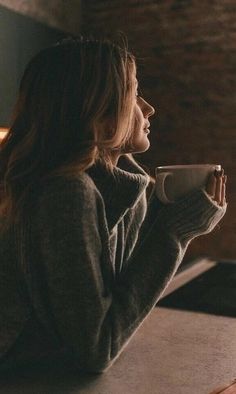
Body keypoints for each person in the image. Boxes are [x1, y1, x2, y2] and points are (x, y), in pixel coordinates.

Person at [0, 36, 227, 374]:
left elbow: (113, 299)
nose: (149, 108)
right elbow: (96, 349)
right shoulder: (66, 193)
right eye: (135, 93)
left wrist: (170, 216)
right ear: (99, 110)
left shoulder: (116, 187)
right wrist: (175, 232)